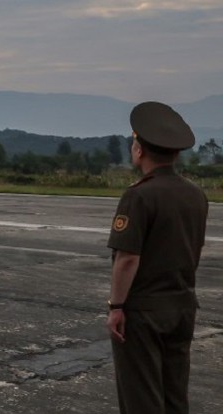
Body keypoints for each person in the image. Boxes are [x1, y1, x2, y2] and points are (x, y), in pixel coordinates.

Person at [106, 101, 208, 414]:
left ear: (139, 149)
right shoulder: (195, 194)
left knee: (142, 396)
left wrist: (117, 306)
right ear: (176, 152)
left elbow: (127, 259)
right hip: (181, 306)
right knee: (175, 395)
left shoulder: (139, 195)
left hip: (144, 311)